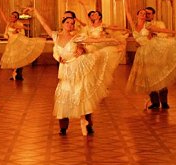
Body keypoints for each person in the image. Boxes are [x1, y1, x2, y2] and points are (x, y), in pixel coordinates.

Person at [27, 7, 121, 136]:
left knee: (81, 94)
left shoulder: (76, 37)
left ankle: (88, 124)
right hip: (65, 70)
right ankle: (63, 127)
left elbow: (93, 40)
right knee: (64, 95)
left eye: (72, 23)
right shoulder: (55, 36)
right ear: (63, 23)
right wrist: (35, 11)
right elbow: (44, 24)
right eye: (67, 22)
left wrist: (110, 40)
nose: (70, 25)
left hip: (77, 68)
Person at [122, 0, 176, 110]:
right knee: (148, 78)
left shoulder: (148, 26)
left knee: (159, 75)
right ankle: (155, 103)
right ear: (137, 15)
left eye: (145, 13)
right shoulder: (134, 26)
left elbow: (164, 31)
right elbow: (127, 12)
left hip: (153, 50)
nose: (143, 15)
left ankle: (164, 102)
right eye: (141, 13)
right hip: (142, 53)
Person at [0, 8, 45, 80]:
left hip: (18, 42)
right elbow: (4, 18)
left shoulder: (18, 24)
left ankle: (19, 74)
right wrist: (1, 11)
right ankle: (15, 73)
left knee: (19, 58)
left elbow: (26, 29)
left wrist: (17, 30)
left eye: (14, 16)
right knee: (13, 59)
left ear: (17, 18)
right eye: (11, 16)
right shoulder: (9, 23)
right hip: (11, 43)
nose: (12, 17)